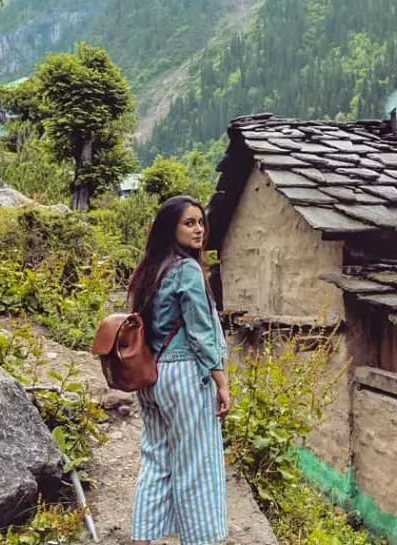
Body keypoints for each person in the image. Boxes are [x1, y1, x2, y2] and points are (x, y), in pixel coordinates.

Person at [126, 195, 230, 545]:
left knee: (156, 461)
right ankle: (200, 539)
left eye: (201, 222)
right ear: (172, 227)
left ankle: (142, 538)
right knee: (196, 464)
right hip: (185, 375)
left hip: (151, 377)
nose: (199, 229)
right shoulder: (187, 270)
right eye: (189, 222)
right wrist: (222, 381)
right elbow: (201, 333)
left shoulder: (150, 270)